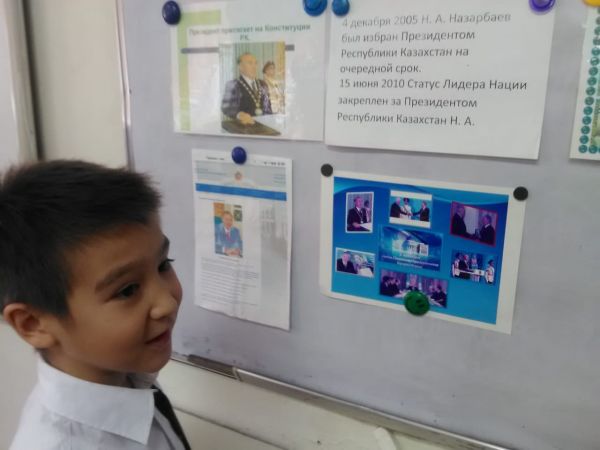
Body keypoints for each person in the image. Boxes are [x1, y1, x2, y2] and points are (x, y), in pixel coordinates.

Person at [1, 160, 191, 450]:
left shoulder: (127, 376)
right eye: (128, 290)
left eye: (163, 265)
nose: (166, 303)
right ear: (33, 324)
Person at [221, 53, 272, 125]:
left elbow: (268, 108)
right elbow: (226, 107)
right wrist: (239, 115)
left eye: (255, 63)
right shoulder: (233, 85)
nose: (254, 66)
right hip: (244, 127)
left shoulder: (263, 84)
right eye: (250, 63)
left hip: (264, 126)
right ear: (240, 67)